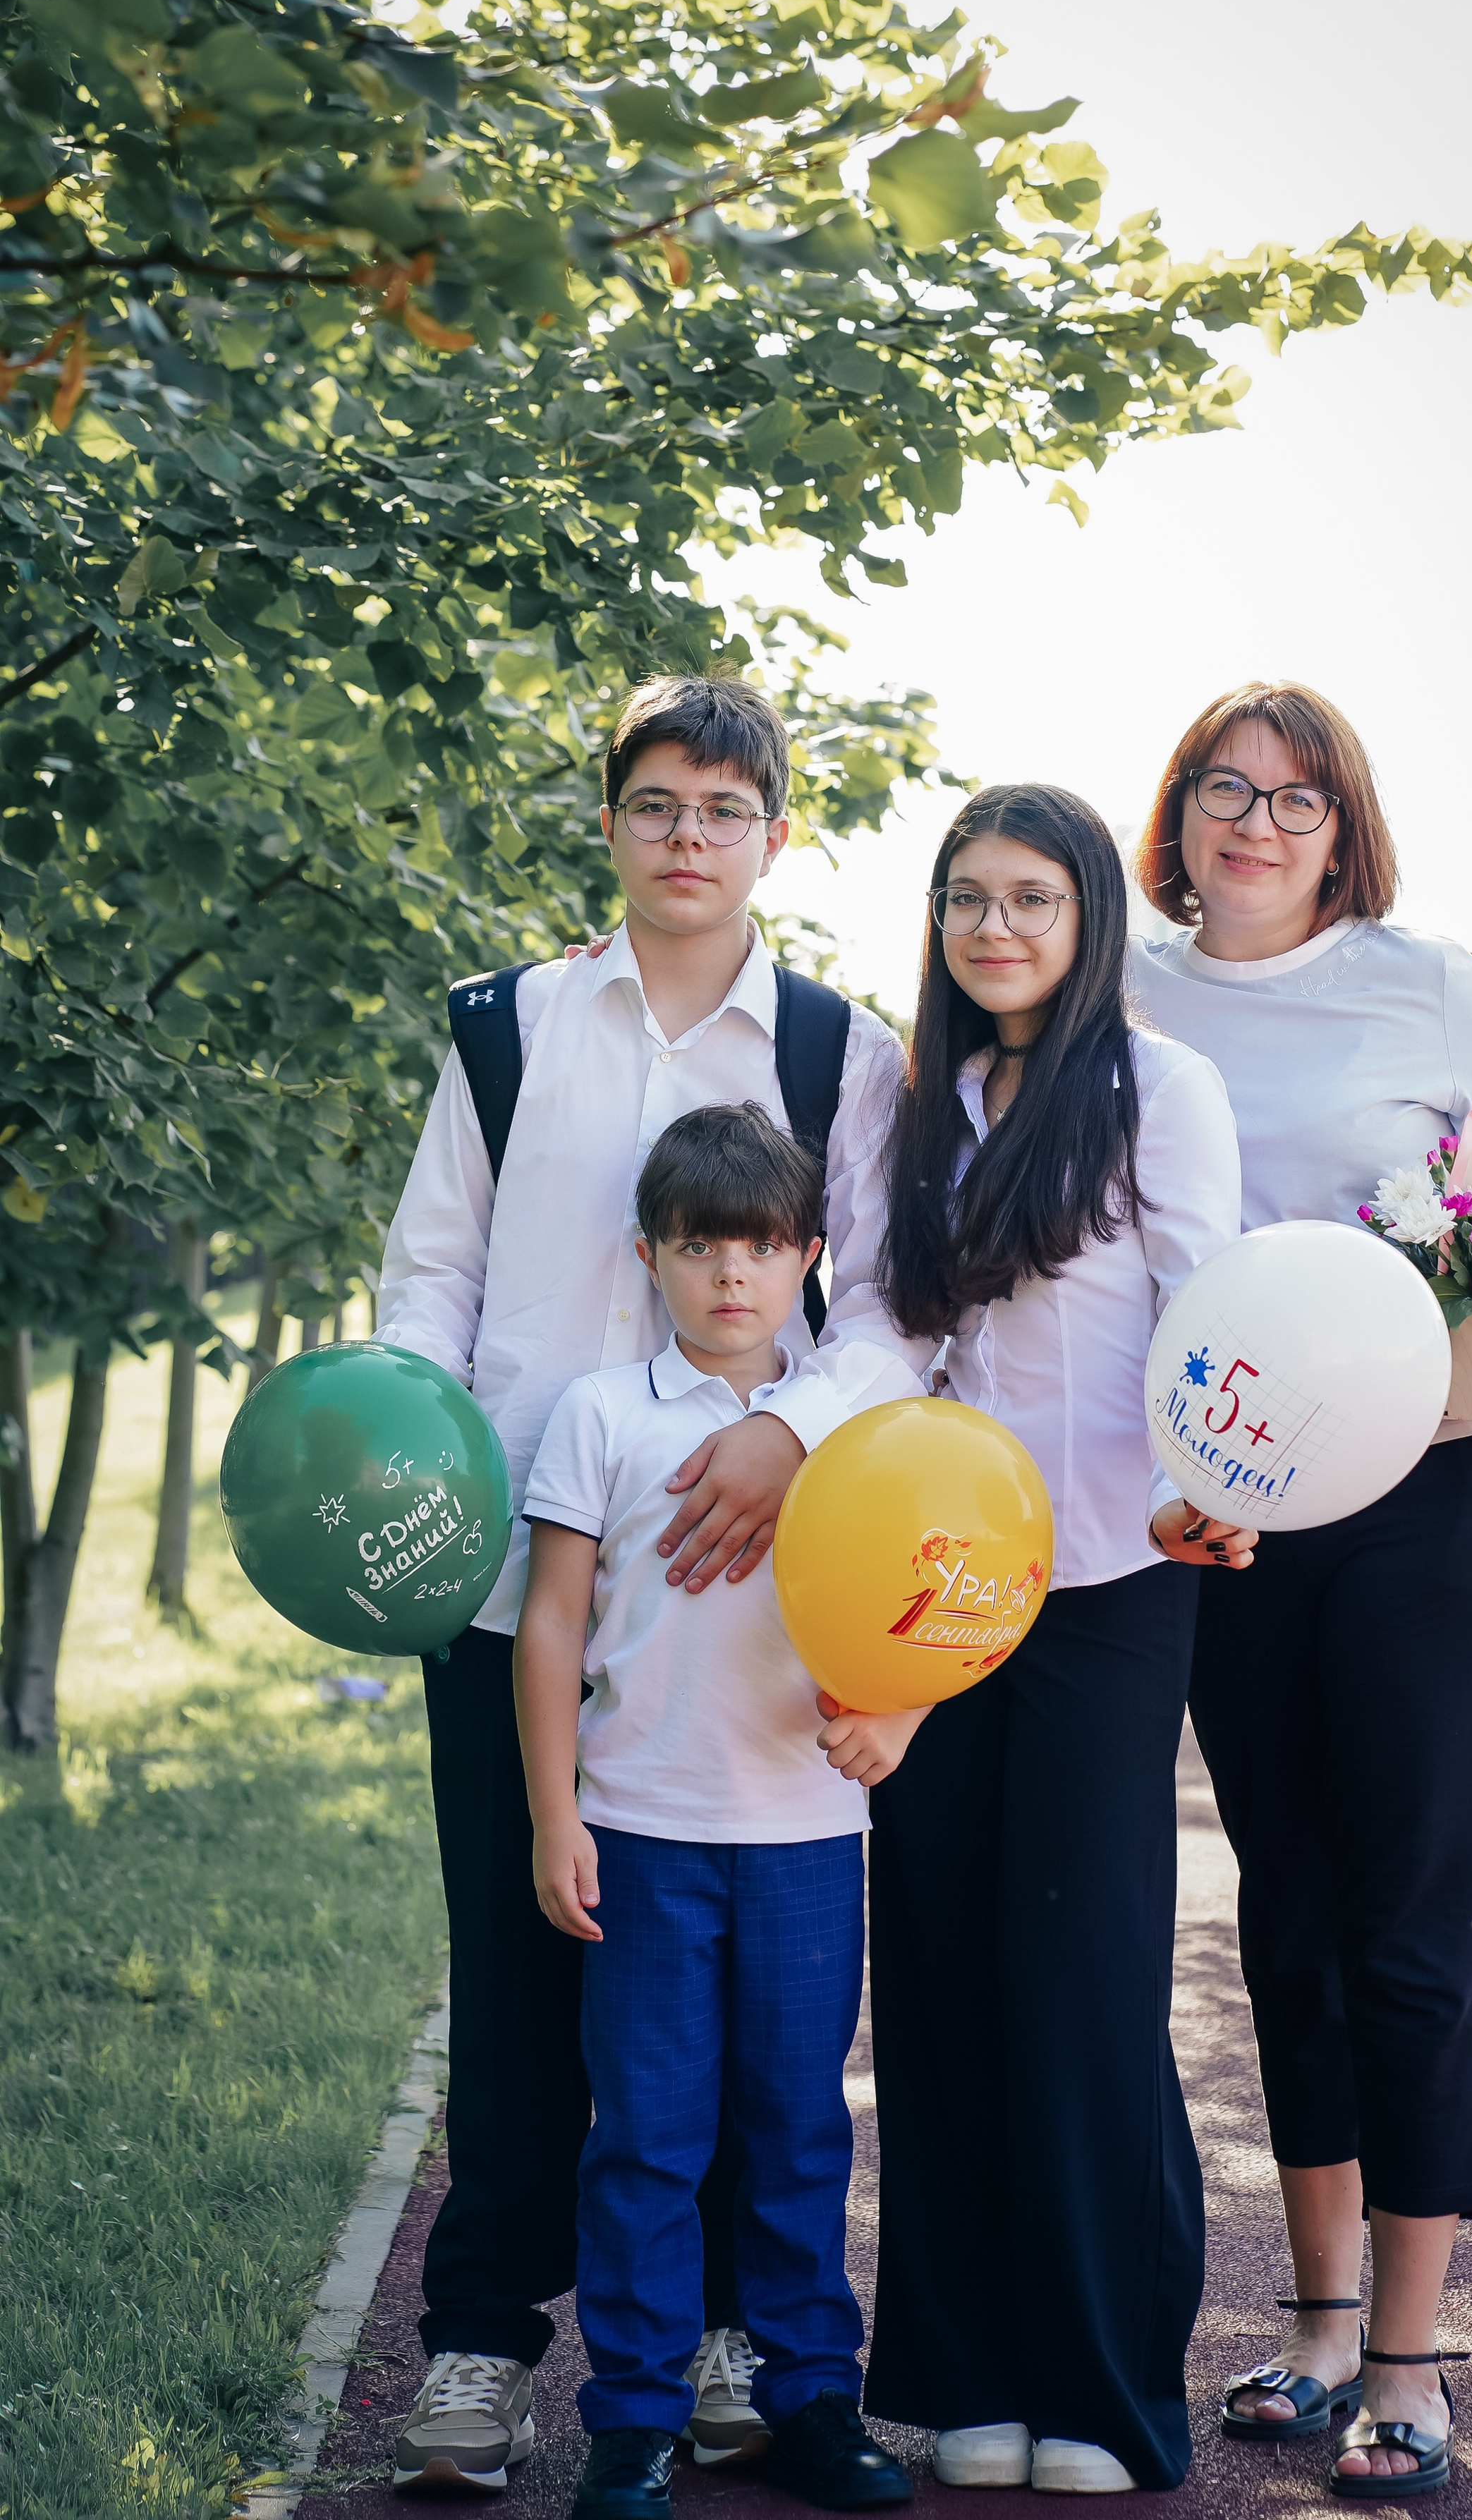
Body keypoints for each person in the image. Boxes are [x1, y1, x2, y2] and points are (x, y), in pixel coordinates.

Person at [376, 674, 915, 2495]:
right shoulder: (508, 1031)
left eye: (725, 808)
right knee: (529, 1973)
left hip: (747, 1598)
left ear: (778, 837)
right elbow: (427, 1281)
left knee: (754, 2036)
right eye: (658, 803)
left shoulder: (843, 1050)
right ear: (611, 821)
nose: (690, 837)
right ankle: (474, 2351)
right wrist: (433, 1478)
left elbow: (899, 1313)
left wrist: (797, 1430)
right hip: (514, 1583)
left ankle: (726, 2349)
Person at [1131, 680, 1472, 2500]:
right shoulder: (1122, 986)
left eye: (1296, 800)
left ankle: (1416, 2361)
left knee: (1411, 1928)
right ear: (1177, 815)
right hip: (1241, 1519)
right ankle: (1316, 2322)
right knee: (1287, 1916)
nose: (1257, 824)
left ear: (1342, 830)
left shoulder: (1422, 983)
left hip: (1440, 1506)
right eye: (1223, 790)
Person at [856, 784, 1250, 2495]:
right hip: (938, 1585)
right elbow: (882, 1326)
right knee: (937, 1973)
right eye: (965, 900)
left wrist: (1205, 1485)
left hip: (1108, 1577)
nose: (993, 929)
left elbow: (1208, 1309)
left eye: (1028, 898)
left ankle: (1099, 2389)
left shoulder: (1162, 1089)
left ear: (1086, 917)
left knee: (1077, 1980)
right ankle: (967, 2373)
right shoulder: (914, 1094)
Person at [516, 1104, 919, 2520]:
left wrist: (901, 1715)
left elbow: (936, 1590)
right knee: (645, 2136)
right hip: (638, 1835)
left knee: (797, 2129)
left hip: (806, 1838)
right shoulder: (599, 1415)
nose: (730, 1278)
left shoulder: (853, 1424)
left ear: (809, 1256)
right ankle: (632, 2423)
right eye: (699, 1249)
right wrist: (552, 1814)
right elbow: (553, 1626)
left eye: (758, 1249)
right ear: (650, 1256)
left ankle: (810, 2399)